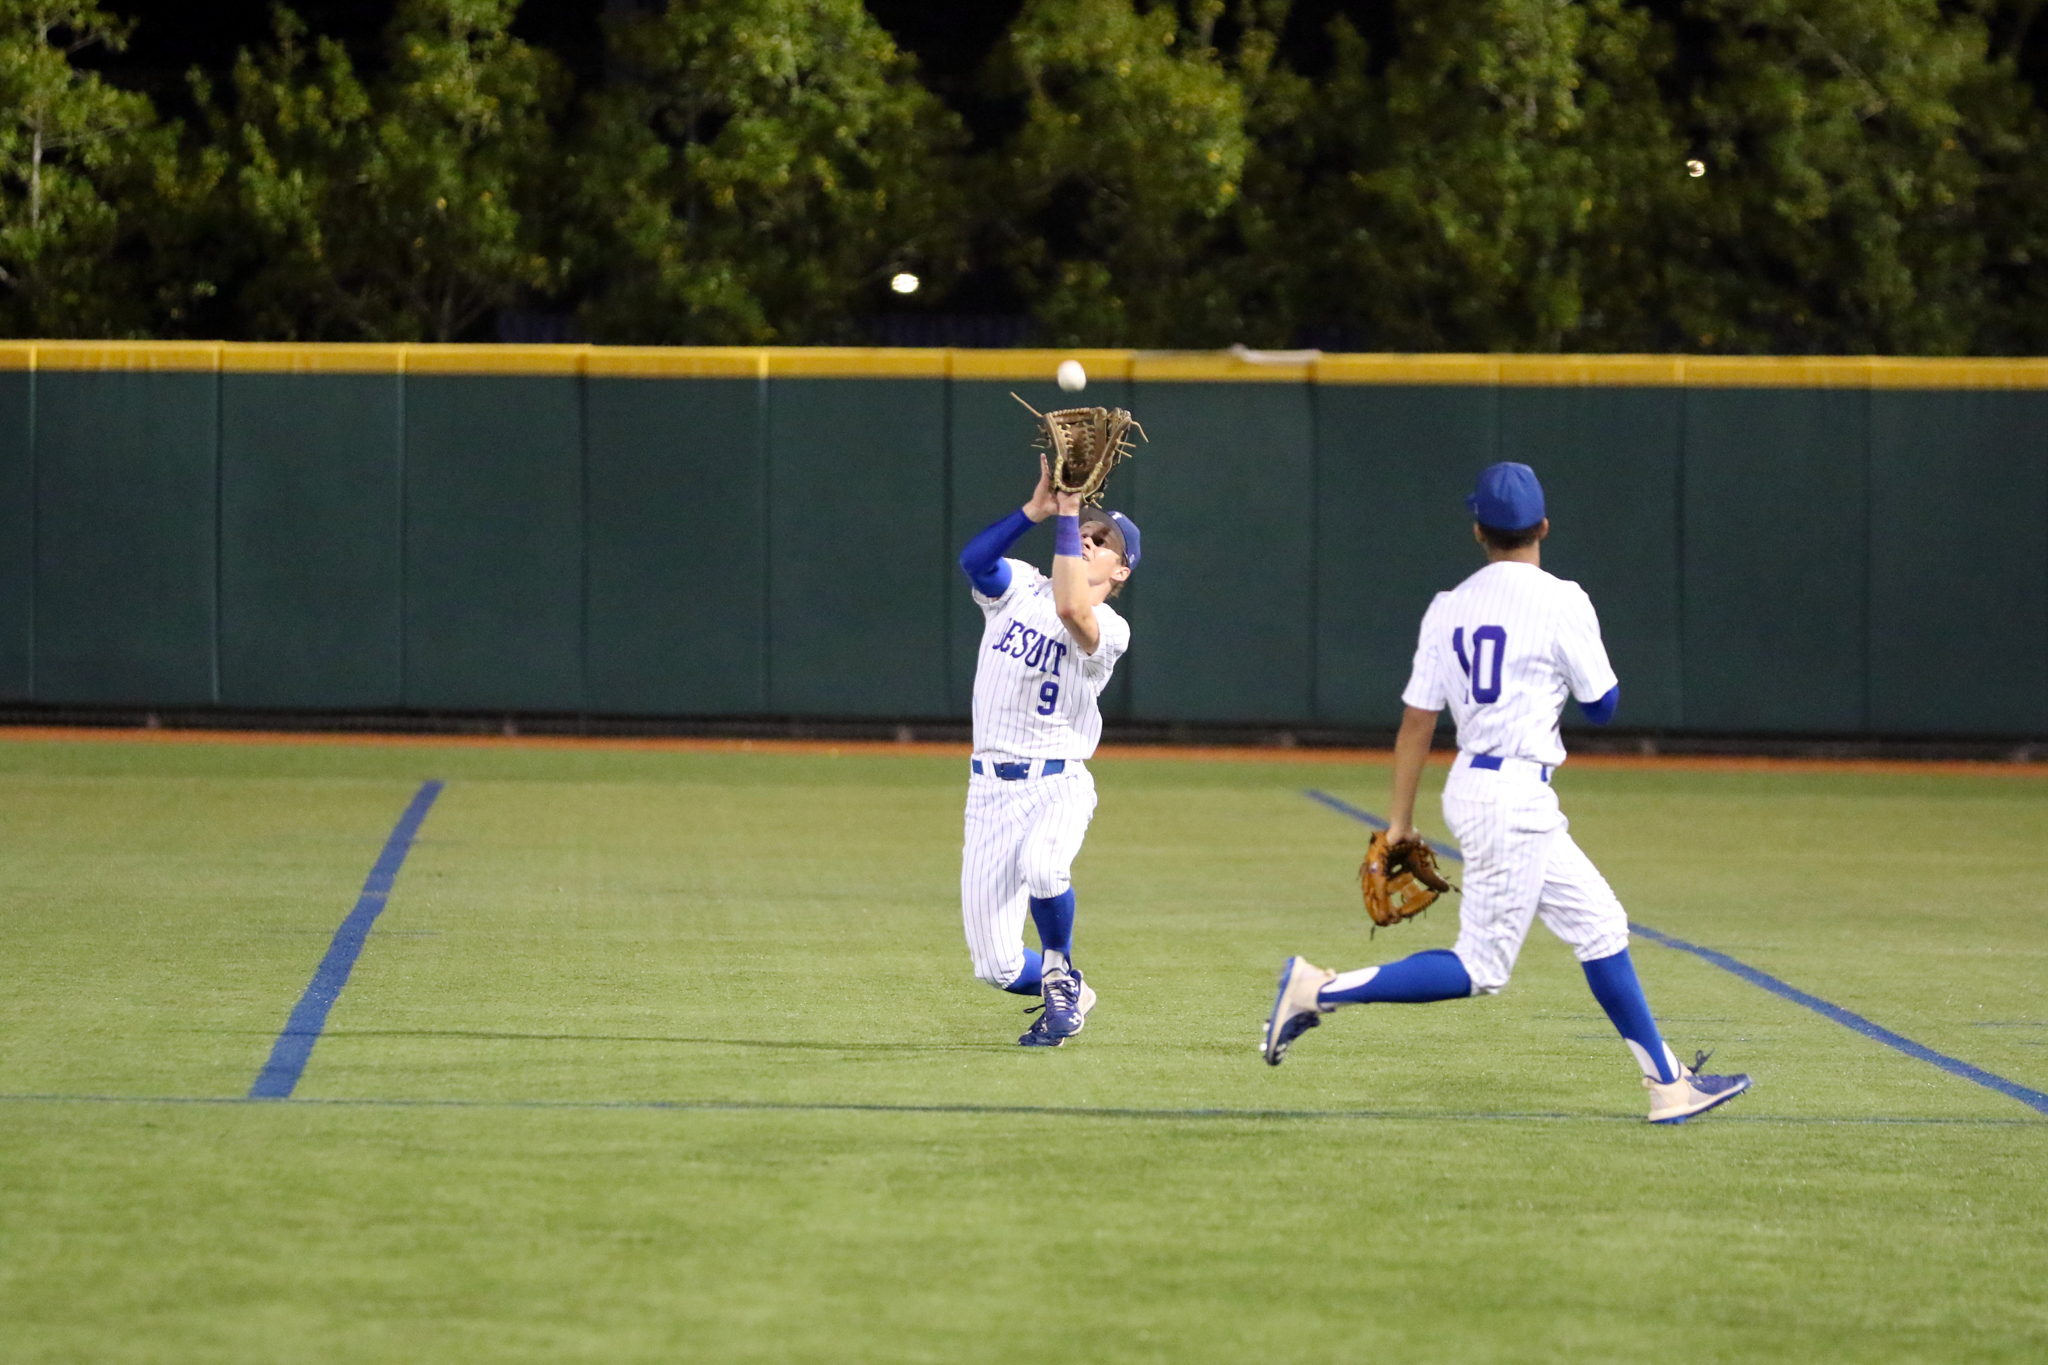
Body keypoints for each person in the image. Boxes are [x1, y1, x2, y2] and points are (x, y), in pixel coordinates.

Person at [1260, 462, 1752, 1124]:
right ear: (1543, 526)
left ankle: (1668, 1084)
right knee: (1482, 967)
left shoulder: (1449, 605)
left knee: (1600, 924)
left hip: (1482, 785)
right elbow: (1603, 705)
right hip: (1513, 796)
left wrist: (1400, 820)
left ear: (1477, 531)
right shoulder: (1564, 599)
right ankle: (1318, 989)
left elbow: (1416, 722)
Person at [956, 453, 1140, 1047]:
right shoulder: (1018, 587)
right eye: (1084, 531)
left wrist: (1067, 514)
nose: (1088, 538)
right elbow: (973, 562)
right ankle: (1072, 988)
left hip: (1057, 782)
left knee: (1043, 865)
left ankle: (1058, 969)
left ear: (1121, 571)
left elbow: (1071, 608)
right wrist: (1036, 509)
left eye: (1102, 541)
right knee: (996, 966)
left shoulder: (1111, 628)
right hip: (988, 790)